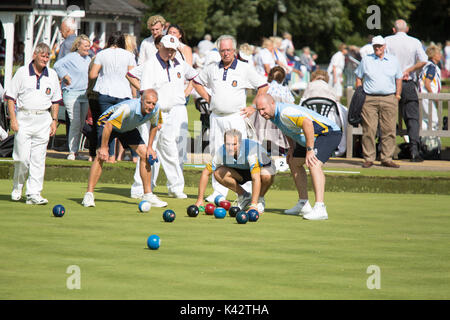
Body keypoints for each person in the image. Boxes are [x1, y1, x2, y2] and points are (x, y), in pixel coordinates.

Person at [193, 34, 269, 202]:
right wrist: (208, 98)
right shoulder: (212, 68)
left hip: (236, 117)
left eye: (228, 50)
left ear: (234, 50)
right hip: (216, 117)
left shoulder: (244, 68)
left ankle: (246, 193)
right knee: (216, 154)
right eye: (222, 50)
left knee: (240, 154)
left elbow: (263, 85)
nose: (225, 53)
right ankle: (218, 193)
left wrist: (254, 106)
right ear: (218, 51)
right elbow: (196, 82)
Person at [137, 34, 206, 199]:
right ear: (160, 46)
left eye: (173, 50)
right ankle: (141, 188)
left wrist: (196, 92)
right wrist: (154, 117)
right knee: (147, 149)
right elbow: (145, 93)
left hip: (173, 111)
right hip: (155, 113)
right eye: (167, 49)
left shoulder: (179, 63)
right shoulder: (150, 65)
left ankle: (175, 187)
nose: (170, 53)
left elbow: (195, 76)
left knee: (170, 150)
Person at [255, 94, 342, 220]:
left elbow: (307, 124)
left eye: (263, 109)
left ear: (272, 104)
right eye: (259, 110)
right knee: (293, 162)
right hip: (309, 137)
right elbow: (287, 129)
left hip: (327, 133)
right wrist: (291, 148)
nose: (261, 113)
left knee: (314, 163)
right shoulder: (274, 115)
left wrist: (310, 150)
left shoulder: (285, 112)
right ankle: (303, 203)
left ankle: (320, 207)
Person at [81, 89, 167, 208]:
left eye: (153, 103)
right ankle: (89, 195)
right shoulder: (128, 107)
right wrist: (104, 147)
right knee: (101, 155)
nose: (151, 106)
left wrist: (150, 147)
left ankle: (148, 195)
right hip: (107, 125)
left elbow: (154, 125)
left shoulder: (156, 109)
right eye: (148, 102)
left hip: (127, 127)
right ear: (141, 100)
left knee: (145, 154)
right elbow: (109, 125)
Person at [5, 43, 62, 204]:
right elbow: (10, 97)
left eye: (47, 56)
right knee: (22, 158)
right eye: (42, 56)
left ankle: (34, 193)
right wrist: (13, 120)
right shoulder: (22, 73)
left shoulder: (52, 74)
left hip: (43, 118)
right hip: (24, 117)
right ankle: (18, 186)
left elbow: (56, 100)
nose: (45, 59)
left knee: (38, 159)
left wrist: (54, 120)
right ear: (34, 56)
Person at [195, 129, 275, 214]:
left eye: (234, 144)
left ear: (240, 143)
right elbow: (205, 173)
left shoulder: (251, 152)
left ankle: (259, 199)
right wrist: (200, 200)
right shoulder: (221, 152)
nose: (230, 148)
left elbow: (256, 178)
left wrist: (253, 205)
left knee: (267, 174)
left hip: (263, 168)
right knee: (218, 173)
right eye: (228, 144)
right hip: (241, 170)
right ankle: (245, 196)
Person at [355, 35, 403, 169]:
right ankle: (369, 158)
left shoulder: (393, 60)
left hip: (389, 97)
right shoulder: (366, 60)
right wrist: (360, 93)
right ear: (372, 47)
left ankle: (387, 158)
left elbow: (399, 78)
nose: (378, 48)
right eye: (375, 46)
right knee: (369, 130)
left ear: (384, 47)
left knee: (389, 129)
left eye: (380, 46)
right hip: (369, 98)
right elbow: (359, 77)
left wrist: (397, 95)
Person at [89, 31, 136, 163]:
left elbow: (92, 75)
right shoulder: (129, 55)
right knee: (126, 125)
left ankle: (108, 156)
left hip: (105, 92)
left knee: (104, 124)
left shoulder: (101, 54)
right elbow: (132, 76)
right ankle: (135, 156)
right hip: (123, 93)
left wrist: (103, 76)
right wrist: (134, 94)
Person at [385, 19, 428, 162]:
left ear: (393, 29)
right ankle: (414, 151)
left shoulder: (387, 40)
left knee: (386, 117)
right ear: (407, 29)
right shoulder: (415, 42)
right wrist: (409, 69)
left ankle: (384, 151)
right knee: (412, 118)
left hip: (391, 83)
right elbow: (423, 60)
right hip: (408, 82)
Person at [54, 34, 91, 161]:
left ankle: (75, 151)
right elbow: (57, 65)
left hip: (84, 95)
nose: (88, 48)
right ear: (78, 46)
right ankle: (72, 152)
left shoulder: (88, 59)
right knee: (75, 122)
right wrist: (65, 76)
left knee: (80, 124)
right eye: (85, 46)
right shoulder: (71, 57)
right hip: (71, 93)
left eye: (89, 46)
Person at [252, 66, 293, 155]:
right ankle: (279, 149)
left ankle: (264, 148)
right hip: (279, 122)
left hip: (262, 122)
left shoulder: (265, 88)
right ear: (283, 78)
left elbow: (255, 103)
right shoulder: (285, 90)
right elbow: (291, 105)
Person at [419, 44, 442, 131]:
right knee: (434, 120)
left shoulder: (427, 65)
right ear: (433, 55)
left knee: (425, 119)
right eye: (438, 53)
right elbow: (427, 83)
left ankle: (423, 139)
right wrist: (434, 96)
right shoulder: (432, 67)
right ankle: (431, 142)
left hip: (423, 96)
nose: (440, 55)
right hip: (427, 96)